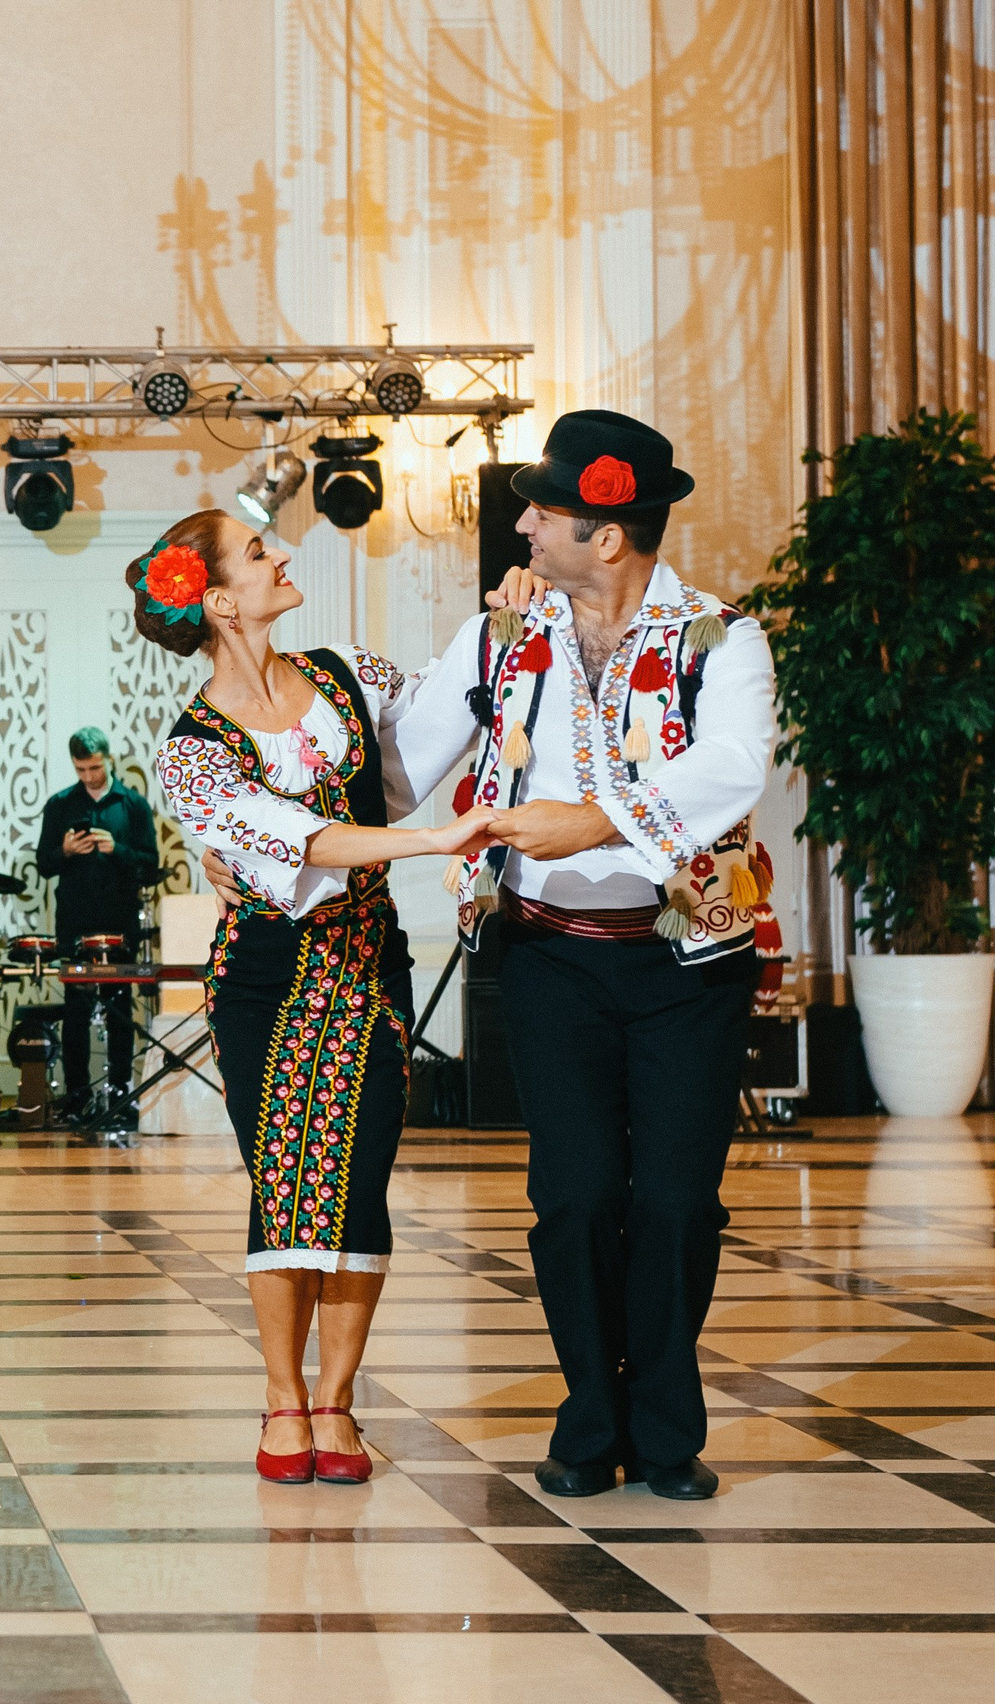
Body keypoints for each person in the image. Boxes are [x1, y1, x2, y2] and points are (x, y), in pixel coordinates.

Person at [365, 411, 776, 1502]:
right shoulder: (501, 637)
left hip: (688, 963)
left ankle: (669, 1426)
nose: (523, 522)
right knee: (578, 1196)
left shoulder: (720, 637)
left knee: (679, 1201)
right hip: (549, 959)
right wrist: (274, 825)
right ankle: (591, 1417)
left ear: (606, 536)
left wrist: (591, 820)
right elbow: (401, 767)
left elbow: (734, 769)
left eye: (543, 510)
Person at [142, 510, 498, 1486]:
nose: (283, 556)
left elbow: (424, 747)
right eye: (258, 554)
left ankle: (337, 1402)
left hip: (368, 963)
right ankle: (281, 1397)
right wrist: (431, 845)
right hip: (264, 975)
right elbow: (299, 839)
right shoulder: (192, 752)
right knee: (287, 1178)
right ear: (217, 599)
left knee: (361, 1175)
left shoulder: (345, 672)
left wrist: (501, 632)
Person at [33, 728, 158, 1118]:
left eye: (95, 767)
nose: (88, 776)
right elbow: (43, 864)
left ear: (109, 758)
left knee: (121, 1009)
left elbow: (151, 863)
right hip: (74, 921)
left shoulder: (133, 805)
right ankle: (76, 1097)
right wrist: (66, 850)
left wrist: (116, 849)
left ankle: (121, 1094)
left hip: (120, 920)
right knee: (76, 1011)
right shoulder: (59, 805)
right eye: (81, 769)